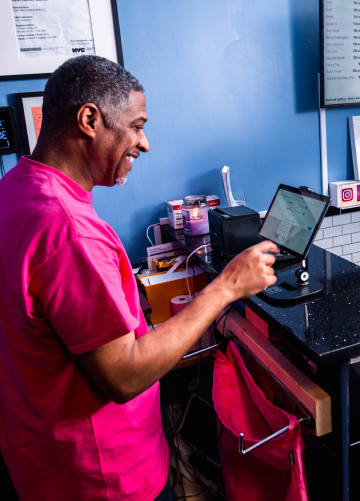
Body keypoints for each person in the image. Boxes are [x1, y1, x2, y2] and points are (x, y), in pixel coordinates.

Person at [0, 55, 278, 501]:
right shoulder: (68, 231)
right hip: (102, 478)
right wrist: (226, 287)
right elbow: (125, 375)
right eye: (136, 125)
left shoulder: (17, 188)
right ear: (89, 119)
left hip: (38, 462)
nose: (144, 144)